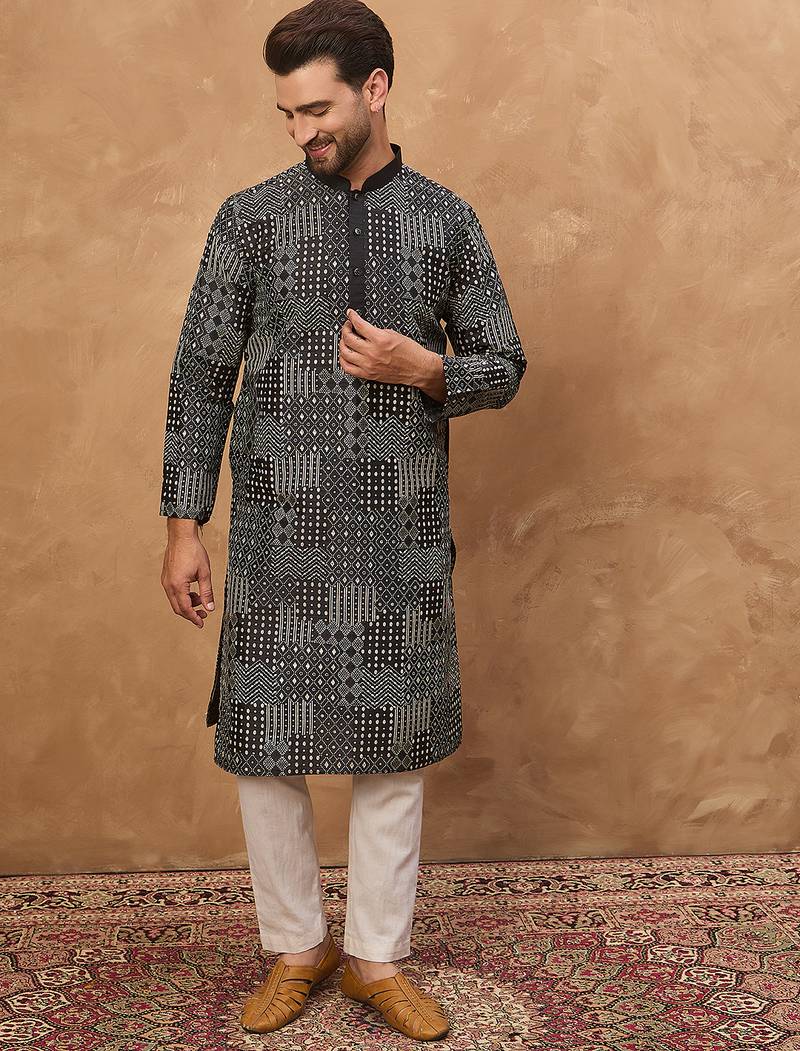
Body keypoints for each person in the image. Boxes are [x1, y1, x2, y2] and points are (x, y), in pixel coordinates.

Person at [159, 0, 527, 1040]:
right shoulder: (250, 218)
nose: (299, 132)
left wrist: (427, 368)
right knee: (263, 747)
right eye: (285, 113)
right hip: (278, 532)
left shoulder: (444, 219)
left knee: (393, 748)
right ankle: (295, 946)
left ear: (374, 89)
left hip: (396, 530)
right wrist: (184, 524)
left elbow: (504, 362)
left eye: (315, 110)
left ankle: (375, 955)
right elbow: (200, 374)